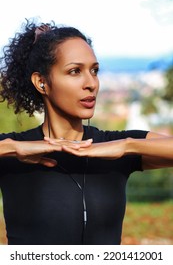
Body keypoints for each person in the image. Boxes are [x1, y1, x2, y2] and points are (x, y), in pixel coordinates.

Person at [0, 19, 173, 245]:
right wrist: (12, 148)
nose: (91, 83)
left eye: (94, 70)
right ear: (42, 82)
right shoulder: (13, 154)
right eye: (74, 71)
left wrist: (128, 145)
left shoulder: (116, 146)